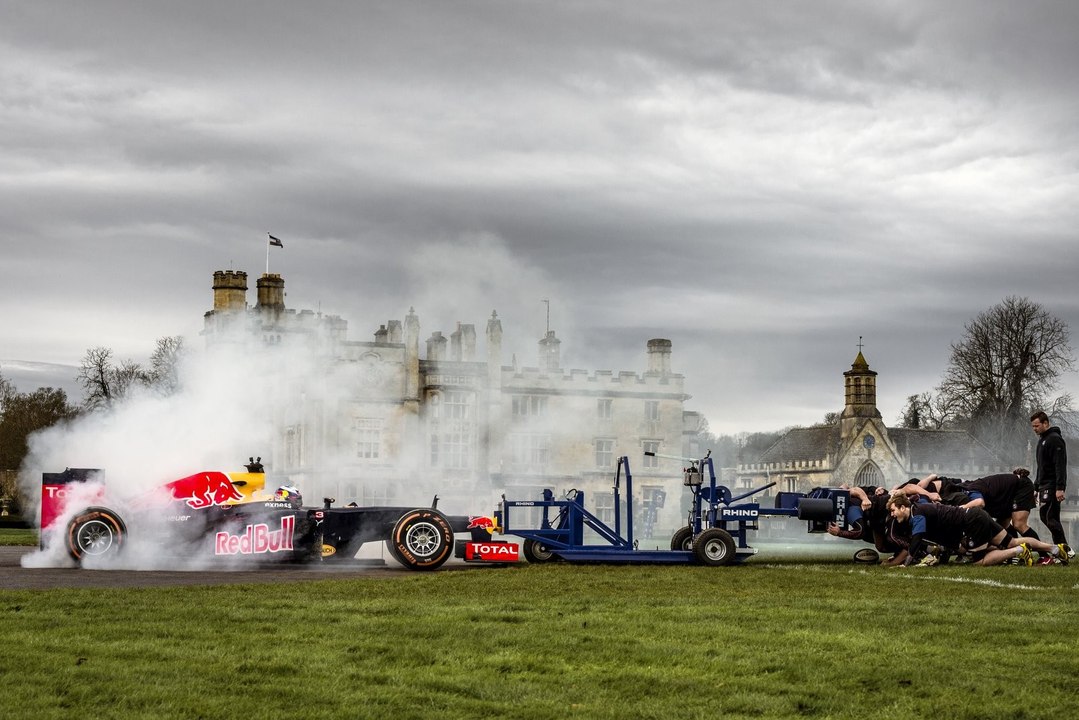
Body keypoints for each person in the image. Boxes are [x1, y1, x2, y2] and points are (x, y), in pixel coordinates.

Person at [886, 493, 1068, 567]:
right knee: (1010, 540)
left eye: (893, 510)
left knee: (978, 561)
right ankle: (1054, 549)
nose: (892, 515)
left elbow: (917, 540)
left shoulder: (917, 514)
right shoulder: (921, 508)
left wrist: (906, 563)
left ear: (903, 507)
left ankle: (1018, 552)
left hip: (972, 521)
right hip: (976, 515)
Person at [1031, 411, 1071, 556]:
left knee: (1048, 517)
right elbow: (1041, 466)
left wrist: (1060, 487)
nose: (1035, 429)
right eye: (1033, 426)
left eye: (1037, 425)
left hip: (1053, 486)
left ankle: (1064, 550)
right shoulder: (1042, 440)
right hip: (1044, 485)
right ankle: (1062, 550)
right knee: (1049, 517)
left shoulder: (1055, 439)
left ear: (1046, 423)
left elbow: (1060, 465)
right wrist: (1036, 486)